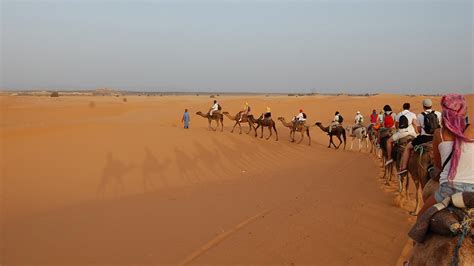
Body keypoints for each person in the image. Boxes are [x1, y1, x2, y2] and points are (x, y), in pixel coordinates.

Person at [417, 94, 473, 217]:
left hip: (449, 189)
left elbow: (438, 165)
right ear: (465, 111)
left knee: (421, 217)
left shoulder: (439, 134)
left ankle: (401, 167)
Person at [398, 99, 442, 175]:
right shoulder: (438, 114)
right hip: (437, 138)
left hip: (424, 138)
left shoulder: (420, 115)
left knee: (408, 148)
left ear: (423, 106)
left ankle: (403, 168)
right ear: (431, 105)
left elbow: (418, 130)